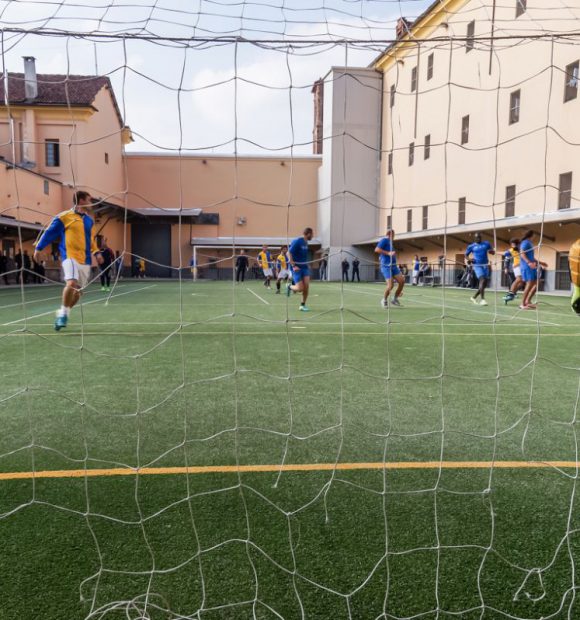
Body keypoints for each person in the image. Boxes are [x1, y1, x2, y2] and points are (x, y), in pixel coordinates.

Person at [33, 190, 103, 331]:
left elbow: (91, 239)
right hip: (69, 256)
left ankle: (63, 312)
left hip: (85, 260)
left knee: (78, 292)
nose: (92, 203)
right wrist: (38, 248)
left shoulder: (89, 220)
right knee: (71, 283)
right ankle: (63, 315)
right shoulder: (64, 216)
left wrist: (96, 252)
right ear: (82, 201)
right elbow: (50, 232)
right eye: (90, 200)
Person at [286, 227, 314, 312]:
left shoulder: (306, 243)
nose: (312, 236)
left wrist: (306, 264)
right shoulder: (298, 241)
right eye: (312, 234)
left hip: (304, 267)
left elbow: (302, 256)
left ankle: (302, 305)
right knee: (300, 288)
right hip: (296, 268)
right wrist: (294, 266)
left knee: (306, 287)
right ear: (308, 233)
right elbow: (288, 253)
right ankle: (289, 287)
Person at [375, 229, 404, 307]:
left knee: (401, 281)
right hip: (386, 266)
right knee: (390, 285)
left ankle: (395, 299)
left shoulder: (390, 243)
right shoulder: (384, 240)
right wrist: (388, 253)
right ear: (391, 234)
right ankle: (384, 300)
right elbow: (377, 249)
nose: (394, 236)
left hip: (394, 266)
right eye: (393, 234)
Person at [519, 229, 547, 310]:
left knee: (538, 283)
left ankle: (528, 301)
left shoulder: (530, 243)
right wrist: (528, 263)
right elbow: (522, 253)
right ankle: (522, 304)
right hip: (527, 266)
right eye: (534, 235)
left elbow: (531, 257)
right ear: (532, 235)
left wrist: (541, 263)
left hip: (532, 266)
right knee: (529, 284)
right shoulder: (525, 242)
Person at [465, 233, 495, 306]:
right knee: (482, 280)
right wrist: (470, 259)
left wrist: (491, 252)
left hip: (485, 265)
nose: (478, 239)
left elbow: (493, 252)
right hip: (477, 265)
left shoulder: (486, 243)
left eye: (479, 237)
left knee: (484, 284)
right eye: (477, 238)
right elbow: (466, 255)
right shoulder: (471, 246)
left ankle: (474, 297)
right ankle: (483, 300)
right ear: (474, 238)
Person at [503, 238, 523, 305]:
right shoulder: (511, 250)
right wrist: (495, 252)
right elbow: (504, 253)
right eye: (512, 244)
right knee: (518, 279)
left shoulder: (522, 249)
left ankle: (513, 293)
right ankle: (510, 293)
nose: (512, 245)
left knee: (522, 283)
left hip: (523, 267)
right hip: (516, 267)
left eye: (514, 244)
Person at [570, 237, 580, 315]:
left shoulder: (575, 245)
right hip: (576, 273)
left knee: (577, 289)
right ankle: (577, 308)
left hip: (575, 275)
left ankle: (576, 308)